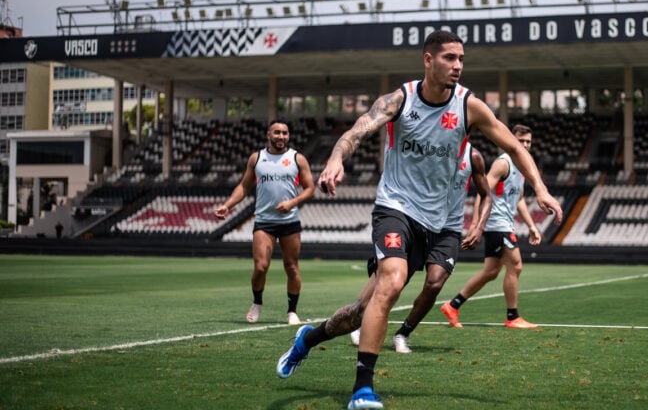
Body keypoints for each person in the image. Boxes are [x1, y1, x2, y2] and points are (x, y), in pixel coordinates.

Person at [275, 30, 563, 410]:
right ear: (428, 60)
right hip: (396, 208)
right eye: (448, 58)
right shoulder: (400, 99)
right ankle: (363, 390)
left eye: (461, 58)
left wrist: (540, 188)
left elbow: (511, 145)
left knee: (363, 311)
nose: (457, 65)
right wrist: (335, 159)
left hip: (442, 223)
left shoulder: (468, 106)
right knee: (391, 282)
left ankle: (307, 340)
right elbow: (357, 130)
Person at [350, 142, 492, 353]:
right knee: (396, 279)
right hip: (419, 222)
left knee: (434, 284)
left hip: (448, 230)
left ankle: (403, 334)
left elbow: (487, 195)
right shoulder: (430, 146)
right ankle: (359, 316)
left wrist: (478, 228)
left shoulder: (474, 157)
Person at [441, 124, 545, 329]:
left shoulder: (522, 167)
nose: (525, 145)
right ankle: (513, 317)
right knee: (516, 266)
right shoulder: (504, 163)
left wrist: (532, 226)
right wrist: (476, 225)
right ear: (511, 140)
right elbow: (483, 191)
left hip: (504, 224)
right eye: (521, 140)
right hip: (496, 224)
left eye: (528, 142)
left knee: (490, 272)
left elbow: (520, 199)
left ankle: (452, 306)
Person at [215, 119, 315, 325]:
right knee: (261, 267)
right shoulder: (257, 158)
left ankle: (292, 311)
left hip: (289, 221)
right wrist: (228, 205)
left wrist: (292, 202)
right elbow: (244, 187)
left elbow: (310, 188)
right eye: (277, 132)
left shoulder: (297, 158)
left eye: (285, 133)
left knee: (292, 267)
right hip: (264, 220)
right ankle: (257, 303)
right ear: (268, 134)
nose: (281, 136)